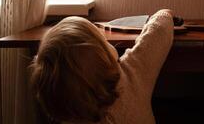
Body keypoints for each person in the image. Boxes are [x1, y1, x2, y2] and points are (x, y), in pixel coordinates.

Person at [30, 9, 174, 124]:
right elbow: (160, 31)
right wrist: (164, 14)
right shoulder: (131, 75)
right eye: (102, 39)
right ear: (104, 55)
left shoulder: (68, 111)